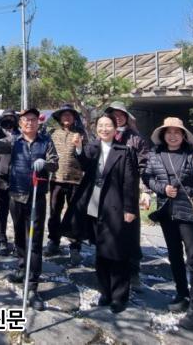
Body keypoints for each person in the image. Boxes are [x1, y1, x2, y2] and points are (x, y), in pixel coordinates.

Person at [62, 113, 140, 313]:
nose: (104, 129)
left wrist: (130, 208)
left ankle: (119, 296)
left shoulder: (125, 151)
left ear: (115, 129)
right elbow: (84, 162)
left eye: (108, 126)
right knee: (101, 251)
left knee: (118, 252)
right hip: (94, 206)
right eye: (101, 126)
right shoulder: (92, 148)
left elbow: (130, 182)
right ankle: (105, 292)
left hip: (116, 207)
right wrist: (78, 147)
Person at [0, 108, 58, 310]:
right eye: (25, 120)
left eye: (33, 120)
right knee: (19, 236)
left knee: (34, 241)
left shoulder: (45, 141)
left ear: (38, 122)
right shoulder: (13, 141)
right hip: (16, 195)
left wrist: (45, 164)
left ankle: (32, 285)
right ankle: (21, 268)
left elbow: (54, 163)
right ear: (20, 123)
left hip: (36, 197)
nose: (29, 123)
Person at [142, 117, 193, 331]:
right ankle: (182, 294)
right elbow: (147, 178)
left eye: (177, 132)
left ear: (184, 135)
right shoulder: (155, 155)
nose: (172, 135)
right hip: (167, 211)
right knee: (174, 255)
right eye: (168, 132)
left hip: (188, 212)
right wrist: (162, 189)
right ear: (163, 135)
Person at [104, 100, 149, 286]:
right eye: (113, 115)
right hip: (108, 192)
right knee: (109, 230)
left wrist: (145, 191)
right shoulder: (105, 136)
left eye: (120, 114)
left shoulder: (136, 139)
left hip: (129, 192)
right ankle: (110, 270)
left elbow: (145, 165)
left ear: (126, 117)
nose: (117, 118)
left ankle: (133, 271)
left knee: (131, 231)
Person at [45, 104, 86, 264]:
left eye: (70, 115)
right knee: (54, 212)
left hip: (76, 180)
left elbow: (88, 154)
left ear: (74, 118)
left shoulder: (81, 134)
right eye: (64, 115)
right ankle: (53, 241)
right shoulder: (52, 133)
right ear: (60, 118)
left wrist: (80, 144)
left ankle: (75, 246)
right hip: (56, 179)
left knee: (75, 215)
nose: (67, 117)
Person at [0, 109, 19, 256]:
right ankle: (2, 241)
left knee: (17, 212)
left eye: (12, 118)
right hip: (1, 177)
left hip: (17, 178)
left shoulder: (21, 133)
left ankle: (18, 242)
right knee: (2, 211)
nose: (9, 120)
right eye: (6, 118)